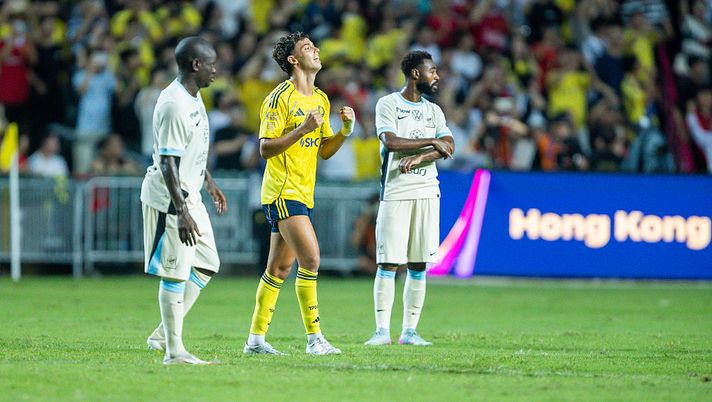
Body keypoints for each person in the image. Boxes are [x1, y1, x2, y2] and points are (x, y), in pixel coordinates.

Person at [243, 31, 355, 356]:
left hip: (304, 193)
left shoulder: (320, 99)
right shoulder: (279, 98)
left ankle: (256, 340)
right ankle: (314, 339)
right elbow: (264, 148)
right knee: (312, 259)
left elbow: (325, 151)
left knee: (277, 269)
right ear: (293, 60)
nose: (316, 49)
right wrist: (302, 129)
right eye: (307, 47)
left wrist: (345, 131)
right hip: (282, 190)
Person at [140, 36, 227, 365]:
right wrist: (181, 211)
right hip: (170, 199)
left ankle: (162, 335)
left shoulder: (193, 96)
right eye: (211, 64)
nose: (215, 70)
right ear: (195, 65)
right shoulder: (175, 104)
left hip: (190, 193)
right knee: (174, 272)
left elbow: (190, 150)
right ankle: (174, 352)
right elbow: (168, 163)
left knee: (207, 263)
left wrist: (209, 181)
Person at [365, 50, 454, 346]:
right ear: (416, 74)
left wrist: (420, 158)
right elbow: (390, 142)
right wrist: (431, 142)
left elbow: (449, 145)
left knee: (418, 264)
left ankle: (409, 332)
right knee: (388, 262)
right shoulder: (388, 104)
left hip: (428, 192)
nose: (437, 76)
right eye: (432, 71)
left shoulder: (435, 110)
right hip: (395, 192)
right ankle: (381, 332)